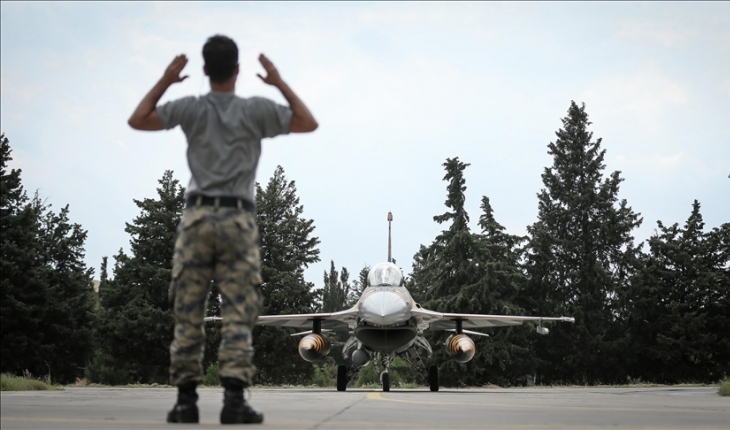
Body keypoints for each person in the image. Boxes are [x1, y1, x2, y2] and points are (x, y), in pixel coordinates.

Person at [128, 35, 317, 424]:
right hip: (237, 219)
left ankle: (185, 401)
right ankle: (233, 399)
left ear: (204, 69)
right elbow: (306, 122)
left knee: (188, 308)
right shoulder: (256, 110)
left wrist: (166, 80)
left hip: (196, 218)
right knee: (238, 309)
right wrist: (278, 82)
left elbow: (139, 119)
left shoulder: (190, 108)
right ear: (237, 70)